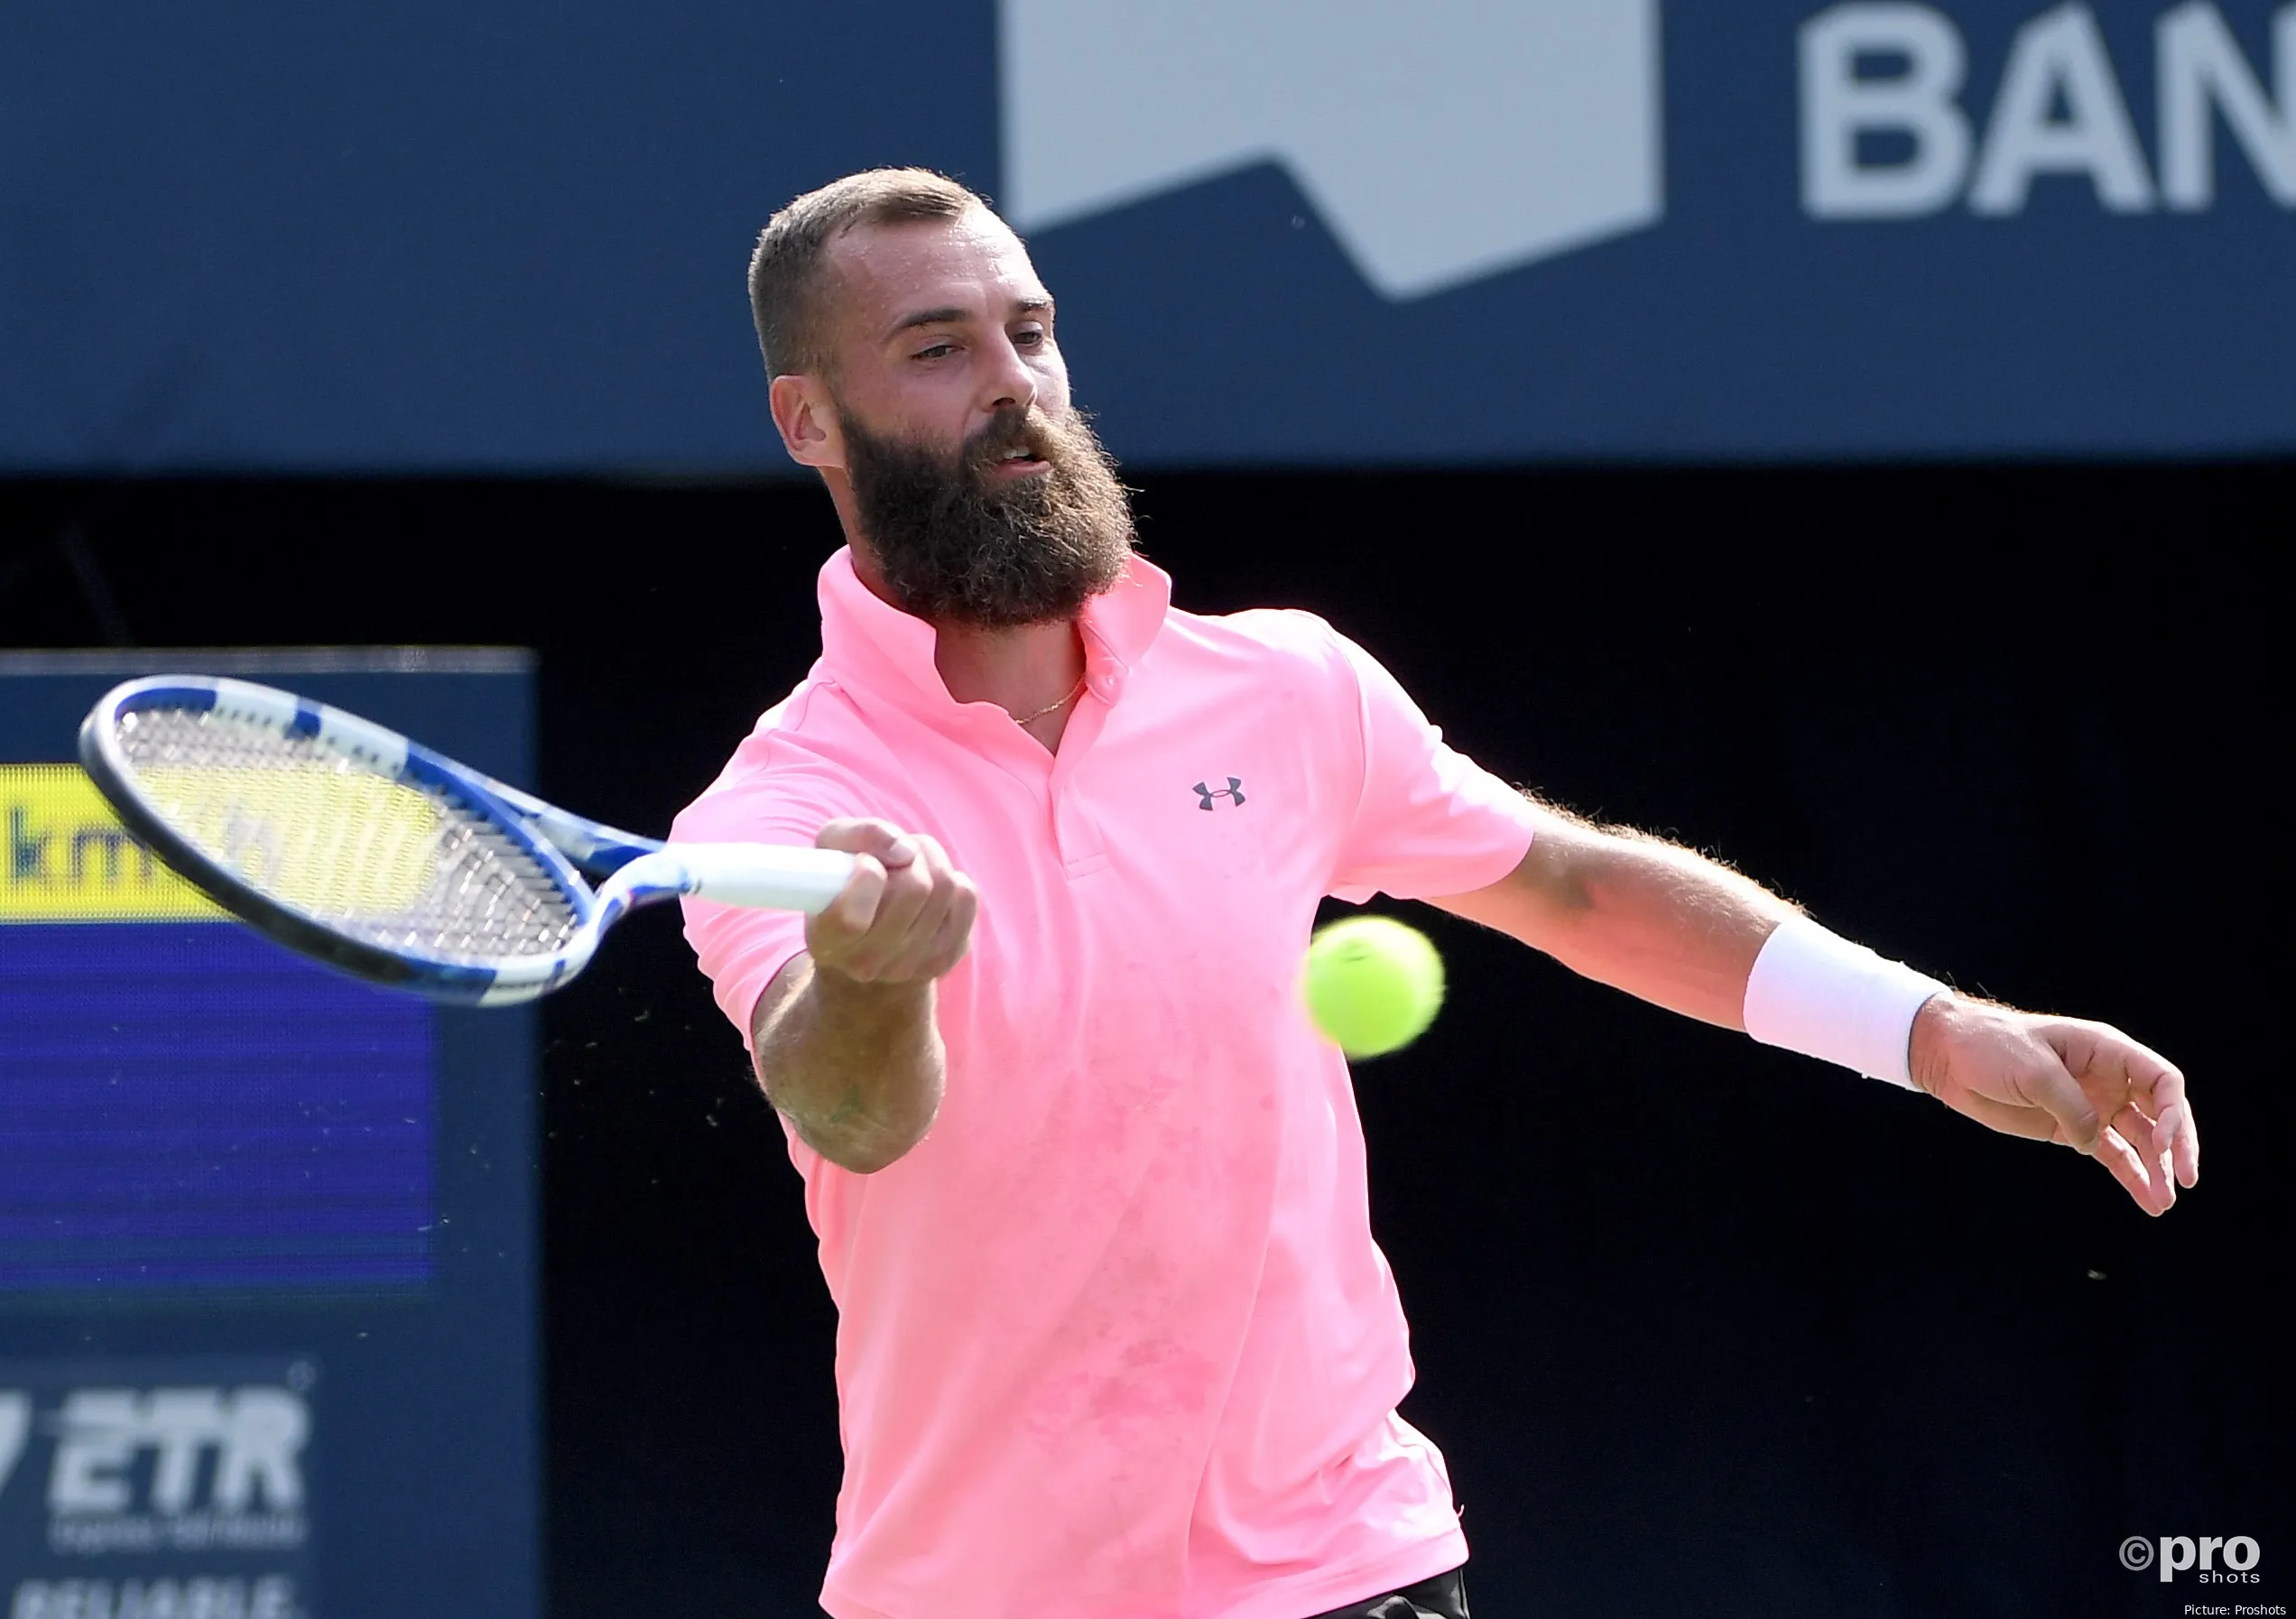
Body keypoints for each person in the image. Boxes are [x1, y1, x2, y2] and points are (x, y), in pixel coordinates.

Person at [672, 168, 2198, 1619]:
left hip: (1347, 1558)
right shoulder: (783, 810)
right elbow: (849, 1112)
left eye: (1034, 329)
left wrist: (1924, 1028)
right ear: (809, 420)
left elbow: (1572, 886)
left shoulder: (1286, 688)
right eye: (938, 347)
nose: (1016, 381)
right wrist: (876, 979)